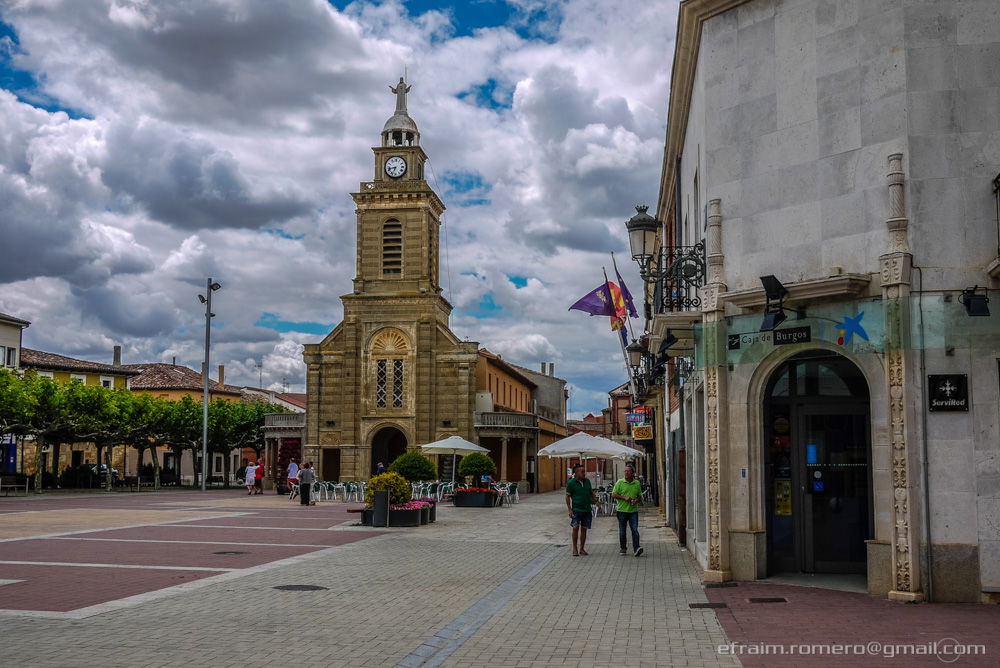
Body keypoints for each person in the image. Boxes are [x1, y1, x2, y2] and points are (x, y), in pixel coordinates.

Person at [565, 464, 597, 556]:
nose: (584, 473)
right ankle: (574, 548)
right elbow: (567, 496)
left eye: (584, 471)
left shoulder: (587, 481)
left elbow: (591, 493)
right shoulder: (571, 483)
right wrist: (569, 509)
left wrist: (596, 501)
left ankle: (582, 549)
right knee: (575, 528)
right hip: (576, 509)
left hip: (587, 509)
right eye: (582, 471)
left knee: (584, 529)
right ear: (576, 473)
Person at [611, 465, 643, 557]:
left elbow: (639, 496)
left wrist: (636, 500)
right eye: (625, 471)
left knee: (634, 529)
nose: (626, 473)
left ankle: (636, 548)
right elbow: (613, 494)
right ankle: (623, 548)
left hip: (633, 510)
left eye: (628, 471)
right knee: (622, 530)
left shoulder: (637, 483)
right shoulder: (620, 482)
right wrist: (624, 498)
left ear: (633, 473)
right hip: (621, 510)